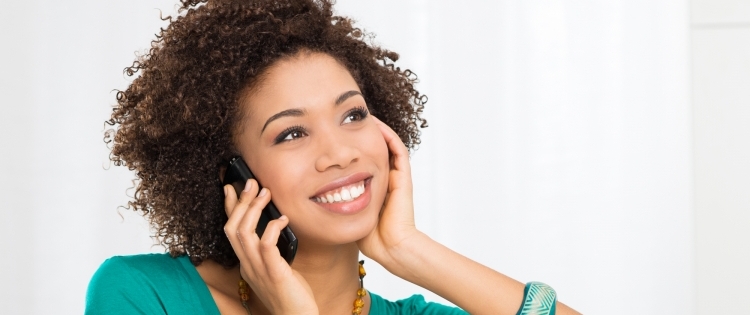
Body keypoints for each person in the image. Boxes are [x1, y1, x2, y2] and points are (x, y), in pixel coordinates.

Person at [87, 0, 580, 314]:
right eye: (292, 132)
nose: (340, 153)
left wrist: (410, 249)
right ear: (232, 177)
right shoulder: (143, 296)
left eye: (352, 116)